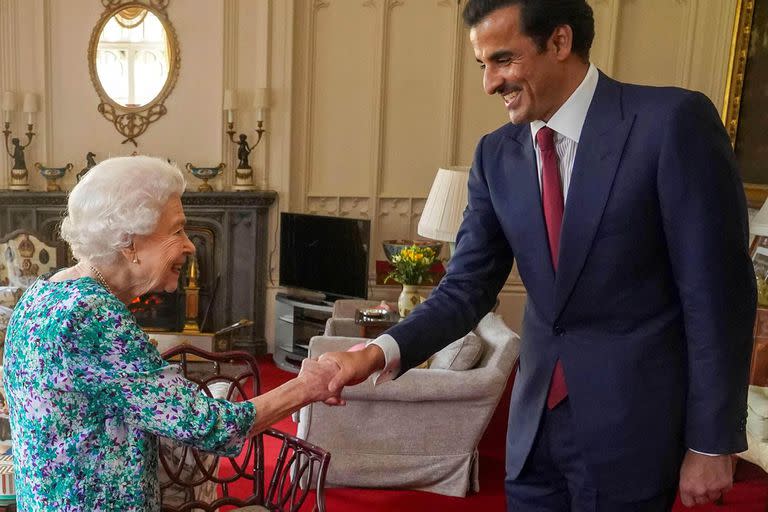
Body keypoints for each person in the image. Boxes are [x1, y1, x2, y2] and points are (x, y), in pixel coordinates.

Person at [317, 1, 757, 510]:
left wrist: (711, 441)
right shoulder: (494, 156)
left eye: (503, 60)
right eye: (483, 65)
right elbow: (465, 288)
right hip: (533, 437)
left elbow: (718, 297)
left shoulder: (670, 123)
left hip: (632, 435)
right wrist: (377, 352)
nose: (489, 84)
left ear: (560, 42)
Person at [3, 155, 338, 511]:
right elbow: (210, 426)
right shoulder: (91, 315)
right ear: (130, 241)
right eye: (176, 230)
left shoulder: (42, 295)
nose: (190, 245)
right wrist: (309, 385)